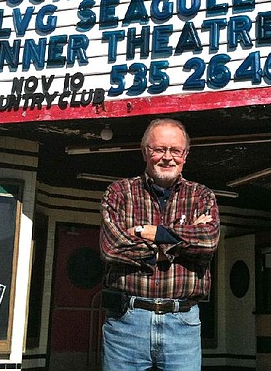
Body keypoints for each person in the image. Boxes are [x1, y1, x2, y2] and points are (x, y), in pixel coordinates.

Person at [100, 118, 220, 371]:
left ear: (185, 155)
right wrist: (178, 243)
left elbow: (208, 243)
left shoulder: (202, 196)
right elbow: (112, 248)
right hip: (127, 321)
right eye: (159, 149)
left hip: (183, 322)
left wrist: (152, 233)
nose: (167, 157)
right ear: (145, 152)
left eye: (175, 150)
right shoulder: (119, 193)